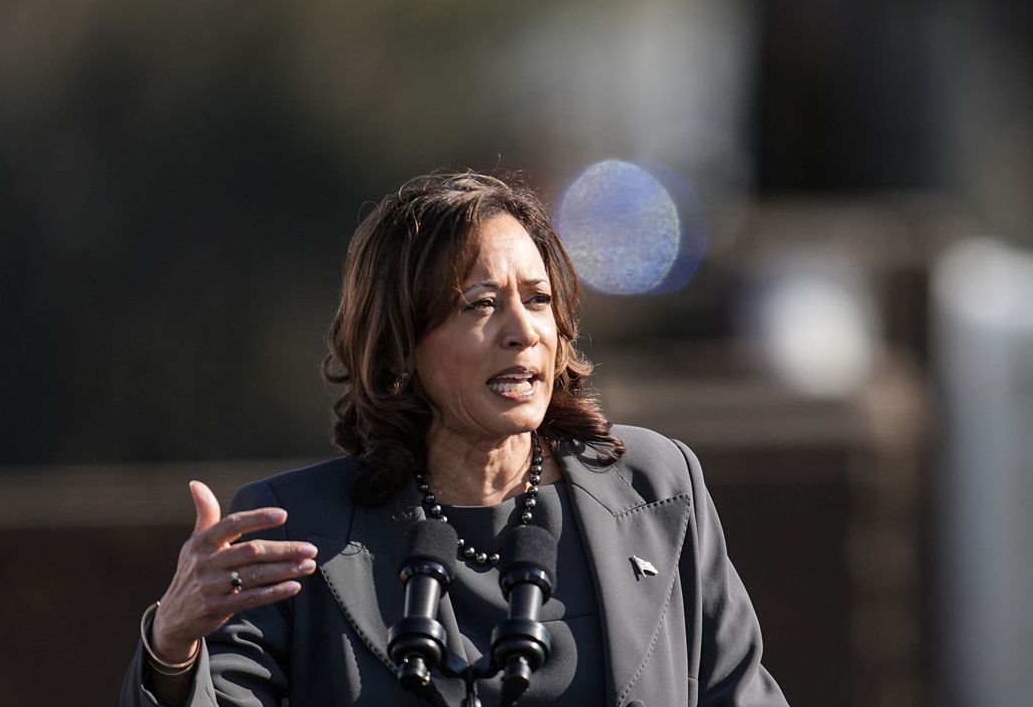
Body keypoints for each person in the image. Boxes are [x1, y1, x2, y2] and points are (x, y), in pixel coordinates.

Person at [121, 172, 789, 706]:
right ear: (401, 345)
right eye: (479, 304)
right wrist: (172, 648)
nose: (523, 330)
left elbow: (740, 691)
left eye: (538, 299)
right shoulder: (299, 531)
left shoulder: (656, 489)